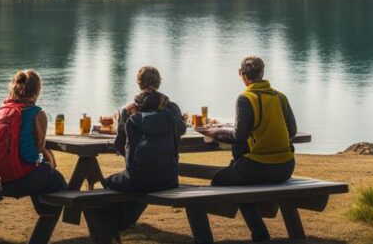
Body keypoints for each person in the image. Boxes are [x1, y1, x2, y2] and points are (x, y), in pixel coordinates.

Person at [191, 56, 298, 243]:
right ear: (262, 73)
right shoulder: (280, 97)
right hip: (286, 167)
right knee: (239, 179)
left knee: (220, 180)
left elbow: (238, 136)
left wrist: (213, 131)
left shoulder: (246, 98)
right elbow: (293, 131)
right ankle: (259, 235)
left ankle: (258, 234)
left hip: (258, 166)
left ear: (242, 75)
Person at [101, 66, 186, 231]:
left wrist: (122, 117)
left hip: (137, 179)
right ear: (159, 82)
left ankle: (115, 223)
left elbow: (119, 147)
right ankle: (122, 222)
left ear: (139, 83)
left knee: (107, 181)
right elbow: (181, 130)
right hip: (169, 179)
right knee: (147, 180)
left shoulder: (132, 112)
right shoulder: (171, 108)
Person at [0, 70, 67, 218]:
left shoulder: (1, 110)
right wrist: (49, 159)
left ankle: (45, 219)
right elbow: (38, 150)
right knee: (55, 178)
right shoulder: (37, 113)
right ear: (38, 90)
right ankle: (49, 221)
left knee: (42, 174)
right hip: (19, 180)